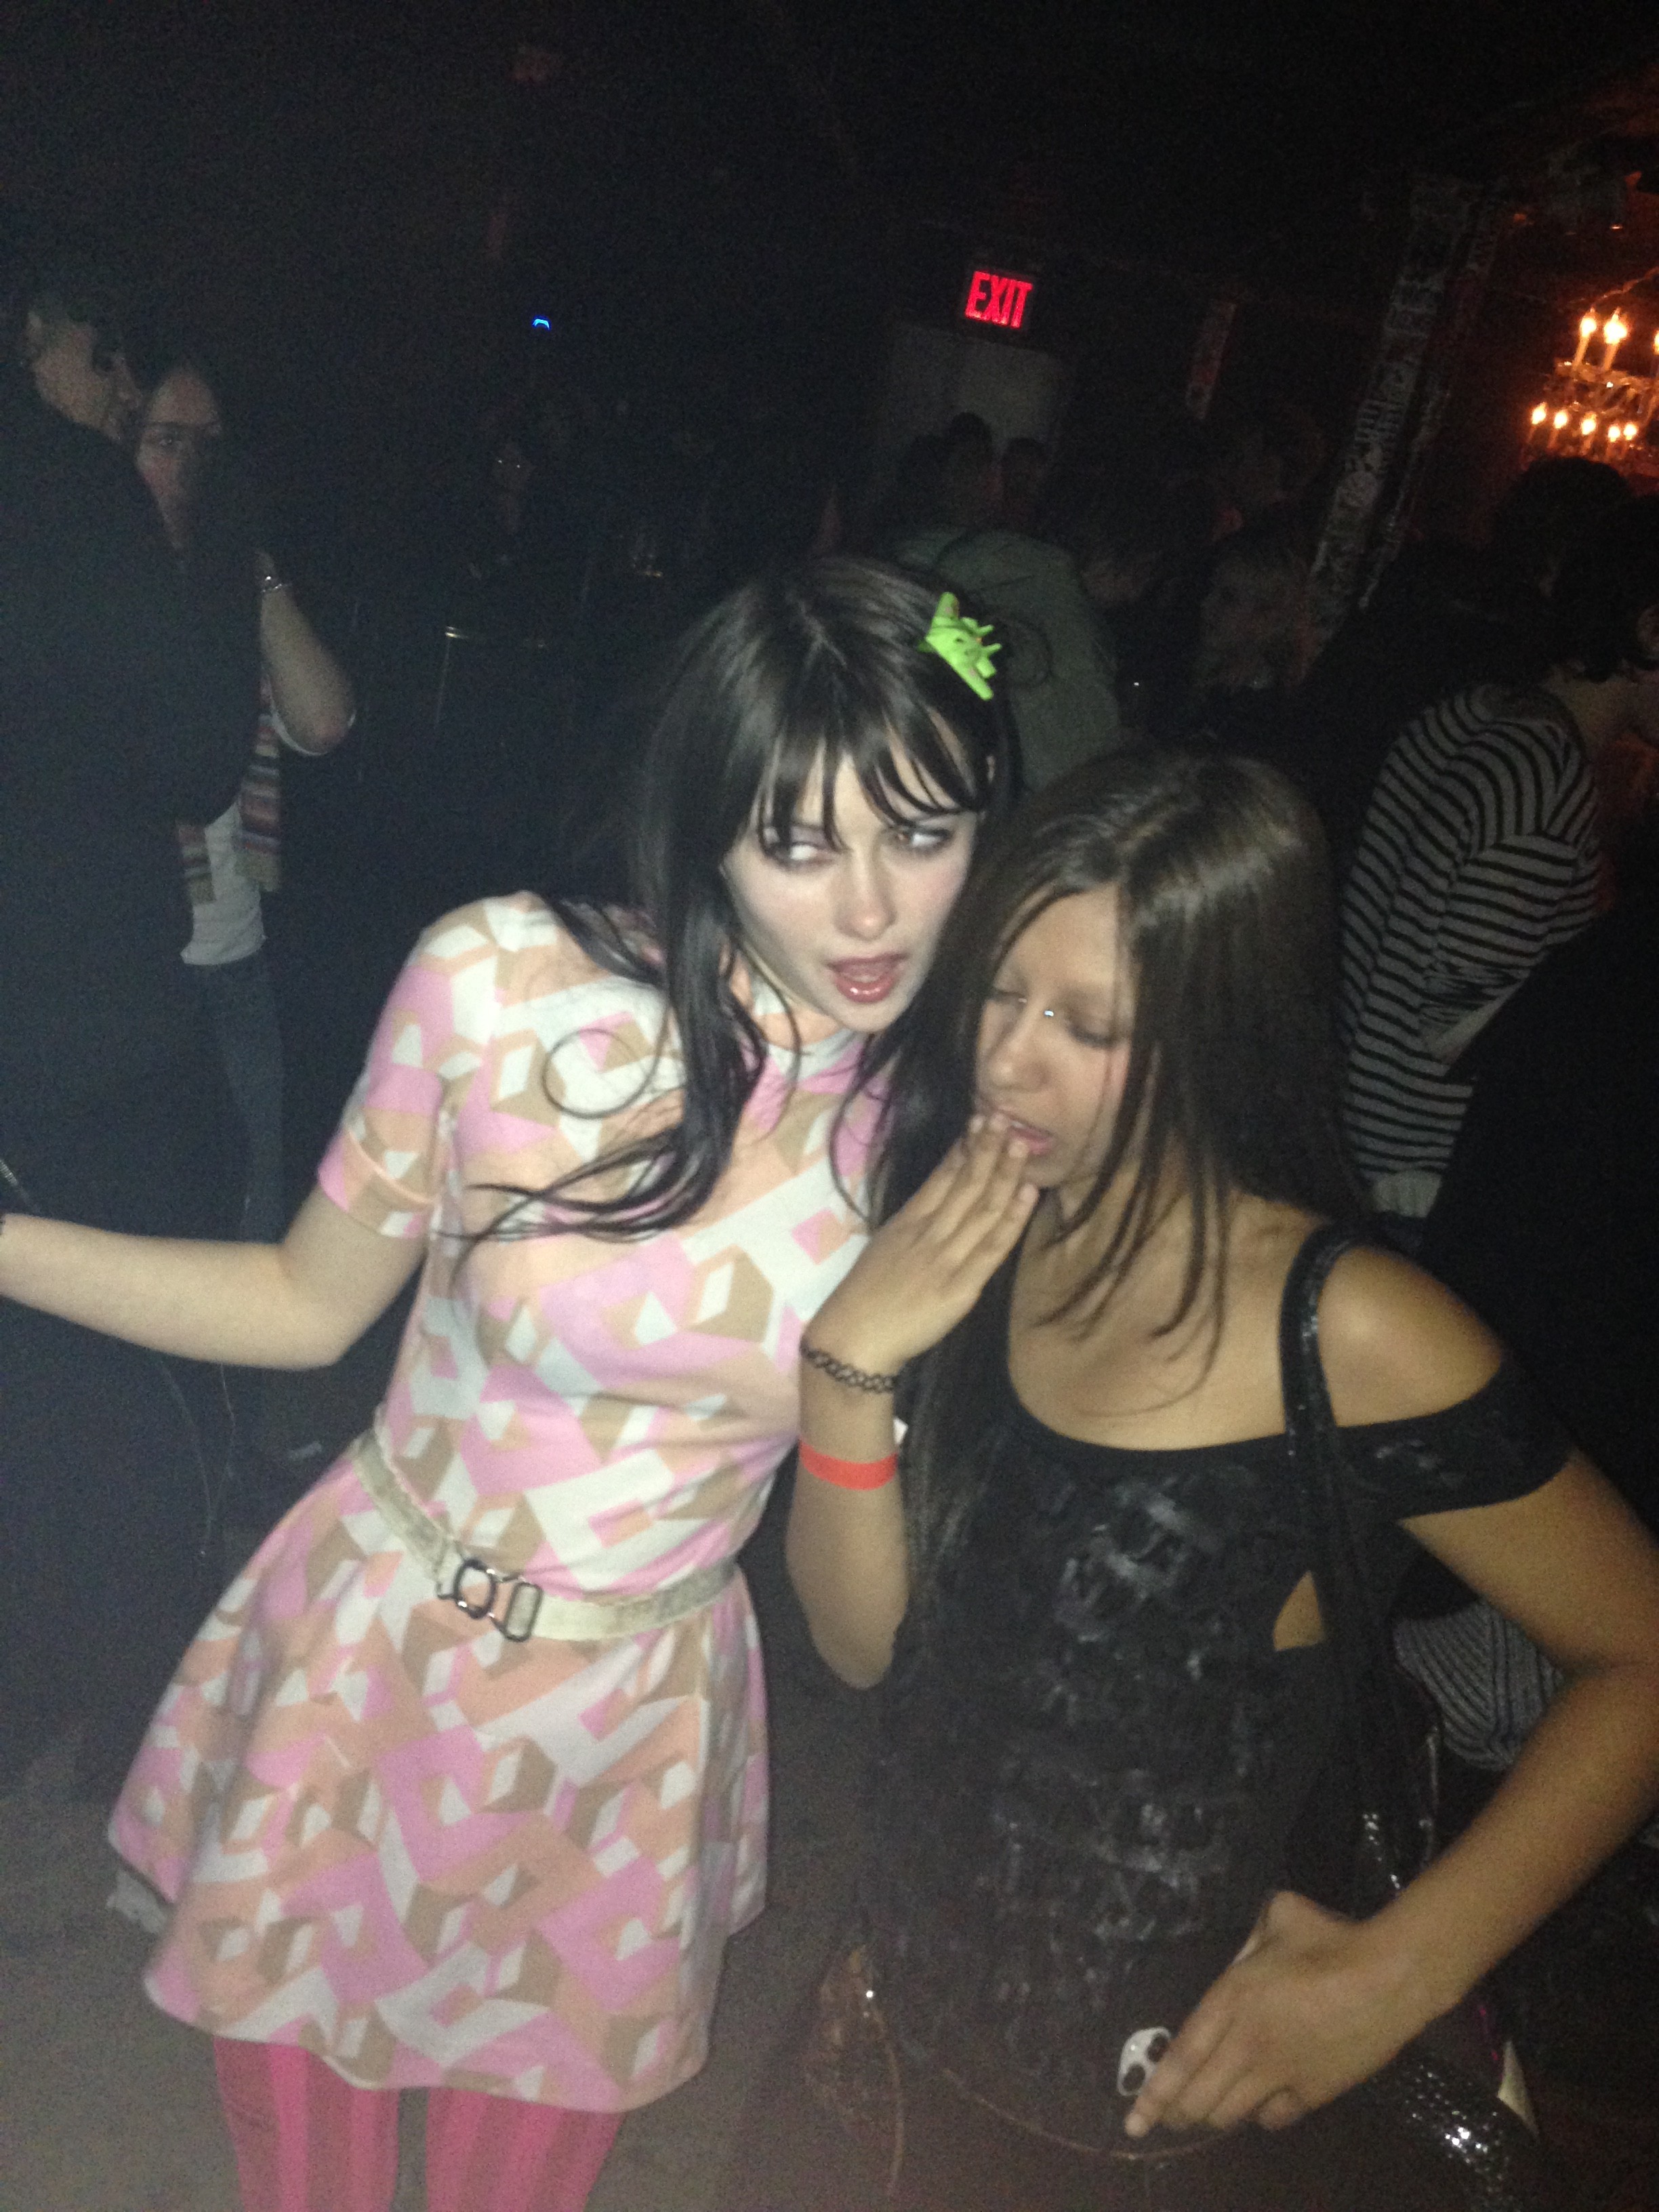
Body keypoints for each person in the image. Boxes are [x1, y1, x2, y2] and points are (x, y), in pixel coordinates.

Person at [0, 558, 1012, 2212]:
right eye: (799, 842)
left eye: (922, 832)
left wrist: (854, 1373)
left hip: (629, 1723)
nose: (871, 913)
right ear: (707, 827)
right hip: (373, 1653)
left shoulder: (954, 1128)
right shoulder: (502, 982)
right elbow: (303, 1304)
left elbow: (865, 1642)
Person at [740, 750, 1659, 2210]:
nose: (1006, 1060)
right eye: (998, 992)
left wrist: (1397, 1969)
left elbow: (1639, 1652)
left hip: (1149, 2123)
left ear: (1220, 1039)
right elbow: (863, 1654)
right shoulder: (981, 1223)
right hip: (884, 2049)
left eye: (1086, 1022)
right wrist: (846, 1365)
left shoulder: (1348, 1330)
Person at [0, 229, 259, 1798]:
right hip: (79, 1014)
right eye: (104, 363)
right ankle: (126, 1713)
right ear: (43, 333)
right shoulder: (74, 492)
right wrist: (200, 574)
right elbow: (191, 755)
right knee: (135, 1371)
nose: (113, 396)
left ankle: (45, 1685)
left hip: (60, 1009)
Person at [1340, 495, 1659, 1238]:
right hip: (1416, 1181)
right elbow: (1458, 1028)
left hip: (1353, 1138)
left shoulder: (1466, 714)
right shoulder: (1545, 781)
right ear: (1651, 630)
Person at [131, 354, 356, 1241]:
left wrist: (255, 575)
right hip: (123, 965)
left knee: (251, 1221)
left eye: (208, 445)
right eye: (166, 441)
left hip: (229, 961)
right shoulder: (86, 585)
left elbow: (324, 719)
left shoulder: (231, 587)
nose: (192, 468)